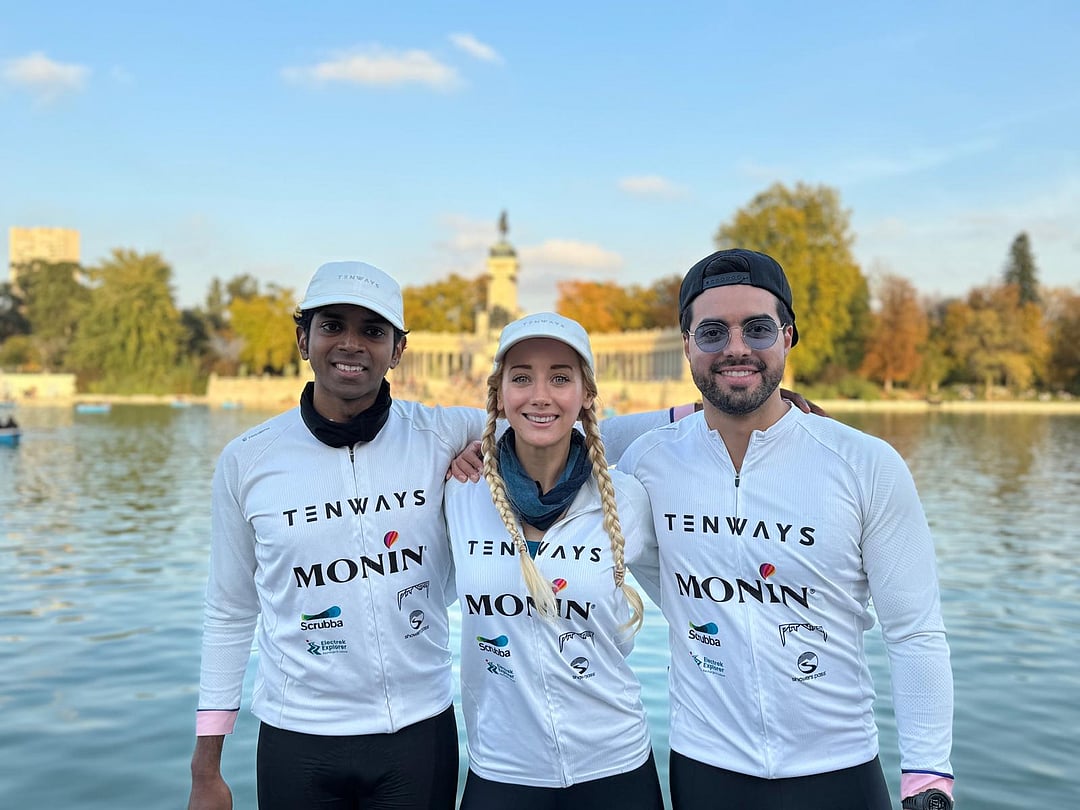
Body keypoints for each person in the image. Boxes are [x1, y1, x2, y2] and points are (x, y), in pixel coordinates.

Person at [187, 261, 698, 809]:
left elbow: (568, 429)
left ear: (398, 350)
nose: (351, 344)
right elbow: (230, 609)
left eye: (373, 330)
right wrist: (205, 766)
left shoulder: (439, 434)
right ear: (302, 339)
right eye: (332, 325)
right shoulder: (248, 459)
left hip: (419, 730)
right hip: (298, 732)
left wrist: (718, 409)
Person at [616, 249, 955, 810]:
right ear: (686, 346)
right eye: (712, 333)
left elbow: (914, 632)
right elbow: (556, 428)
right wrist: (479, 445)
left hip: (839, 769)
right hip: (705, 767)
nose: (736, 348)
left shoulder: (866, 463)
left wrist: (928, 780)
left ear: (788, 337)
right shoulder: (647, 462)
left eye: (757, 328)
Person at [443, 313, 665, 809]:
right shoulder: (459, 491)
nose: (540, 395)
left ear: (586, 395)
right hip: (502, 768)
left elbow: (691, 591)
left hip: (616, 765)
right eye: (522, 378)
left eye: (560, 378)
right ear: (500, 396)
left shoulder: (628, 498)